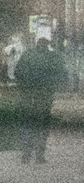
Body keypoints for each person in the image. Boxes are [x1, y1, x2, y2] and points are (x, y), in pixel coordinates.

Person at [13, 33, 69, 164]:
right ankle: (40, 155)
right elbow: (61, 75)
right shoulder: (53, 57)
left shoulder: (27, 55)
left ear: (36, 44)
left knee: (27, 122)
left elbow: (17, 72)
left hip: (28, 95)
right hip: (45, 96)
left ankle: (26, 154)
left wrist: (23, 86)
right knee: (42, 124)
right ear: (47, 46)